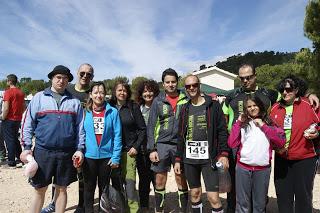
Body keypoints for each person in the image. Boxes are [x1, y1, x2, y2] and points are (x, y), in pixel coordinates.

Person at [222, 64, 319, 213]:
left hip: (290, 157)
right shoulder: (233, 96)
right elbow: (224, 121)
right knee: (240, 194)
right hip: (246, 150)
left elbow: (291, 97)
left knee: (297, 195)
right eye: (242, 78)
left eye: (248, 77)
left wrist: (309, 94)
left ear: (255, 75)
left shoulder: (271, 95)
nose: (245, 80)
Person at [20, 65, 85, 213]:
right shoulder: (39, 98)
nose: (61, 81)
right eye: (58, 77)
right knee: (39, 189)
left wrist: (80, 149)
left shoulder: (74, 102)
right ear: (52, 78)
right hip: (43, 151)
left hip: (66, 153)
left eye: (65, 78)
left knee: (62, 189)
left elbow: (80, 129)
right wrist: (27, 147)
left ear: (68, 81)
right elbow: (27, 124)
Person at [41, 63, 94, 213]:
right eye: (82, 73)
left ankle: (82, 204)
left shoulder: (93, 92)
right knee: (57, 175)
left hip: (86, 139)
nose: (85, 76)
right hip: (67, 141)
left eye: (89, 74)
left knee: (83, 174)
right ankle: (53, 203)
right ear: (77, 74)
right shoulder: (67, 90)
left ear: (92, 77)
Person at [174, 75, 229, 213]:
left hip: (209, 159)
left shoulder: (213, 105)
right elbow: (180, 136)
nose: (191, 88)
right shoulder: (185, 108)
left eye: (194, 85)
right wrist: (178, 159)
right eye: (188, 86)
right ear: (185, 89)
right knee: (195, 194)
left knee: (214, 198)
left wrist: (223, 153)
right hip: (190, 159)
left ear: (199, 85)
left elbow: (222, 130)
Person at [228, 94, 285, 213]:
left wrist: (264, 126)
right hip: (243, 168)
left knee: (259, 205)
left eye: (255, 105)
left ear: (260, 106)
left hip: (262, 169)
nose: (252, 108)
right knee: (242, 204)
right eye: (249, 106)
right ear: (245, 109)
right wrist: (238, 123)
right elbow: (232, 143)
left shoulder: (270, 123)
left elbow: (280, 142)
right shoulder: (243, 124)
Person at [270, 75, 319, 213]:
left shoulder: (310, 105)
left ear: (297, 89)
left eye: (289, 89)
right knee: (283, 196)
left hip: (305, 158)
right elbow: (270, 132)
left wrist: (318, 133)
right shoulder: (275, 108)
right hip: (282, 158)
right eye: (282, 89)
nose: (285, 92)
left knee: (303, 196)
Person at [147, 68, 189, 213]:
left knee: (181, 178)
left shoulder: (186, 99)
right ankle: (159, 210)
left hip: (180, 145)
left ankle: (183, 210)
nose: (171, 84)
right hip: (162, 145)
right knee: (160, 180)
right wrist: (152, 149)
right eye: (167, 82)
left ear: (177, 82)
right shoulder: (157, 101)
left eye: (173, 82)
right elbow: (151, 126)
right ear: (163, 84)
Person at [82, 81, 122, 212]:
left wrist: (116, 157)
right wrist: (79, 151)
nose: (99, 95)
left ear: (105, 94)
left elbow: (117, 135)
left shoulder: (113, 112)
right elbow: (81, 134)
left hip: (107, 157)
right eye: (96, 92)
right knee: (89, 188)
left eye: (102, 92)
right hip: (89, 156)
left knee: (103, 189)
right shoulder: (85, 112)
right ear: (90, 94)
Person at [109, 80, 146, 213]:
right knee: (116, 186)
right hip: (112, 153)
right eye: (119, 90)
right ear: (114, 92)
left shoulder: (133, 107)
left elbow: (142, 129)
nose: (122, 93)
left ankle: (133, 210)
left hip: (129, 152)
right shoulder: (109, 107)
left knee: (130, 186)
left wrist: (136, 146)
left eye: (124, 90)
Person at [135, 79, 160, 212]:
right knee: (143, 179)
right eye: (145, 91)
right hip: (142, 150)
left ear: (155, 92)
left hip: (157, 149)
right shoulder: (138, 108)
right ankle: (144, 206)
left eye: (150, 91)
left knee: (157, 179)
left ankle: (159, 206)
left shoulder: (160, 105)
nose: (148, 94)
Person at [0, 74, 25, 167]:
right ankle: (20, 158)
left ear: (10, 81)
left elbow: (6, 108)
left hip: (8, 119)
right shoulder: (21, 92)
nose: (6, 82)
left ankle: (11, 162)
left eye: (7, 80)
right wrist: (19, 115)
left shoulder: (8, 92)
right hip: (17, 119)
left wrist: (3, 117)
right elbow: (24, 107)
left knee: (9, 140)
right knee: (15, 139)